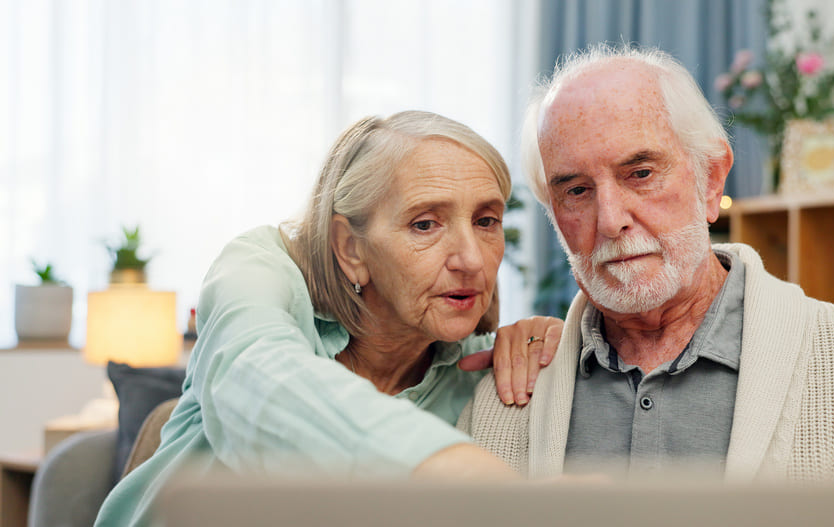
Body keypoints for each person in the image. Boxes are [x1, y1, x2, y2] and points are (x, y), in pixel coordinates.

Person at [458, 45, 834, 482]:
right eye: (576, 190)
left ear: (712, 180)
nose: (610, 221)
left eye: (641, 172)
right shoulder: (508, 395)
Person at [96, 110, 564, 526]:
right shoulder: (258, 271)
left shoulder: (485, 375)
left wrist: (548, 354)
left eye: (486, 221)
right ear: (350, 248)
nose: (472, 260)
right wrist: (455, 471)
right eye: (425, 224)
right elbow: (256, 379)